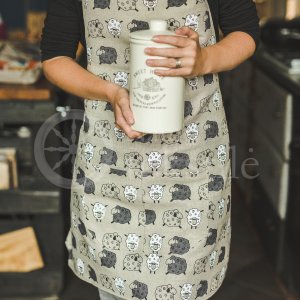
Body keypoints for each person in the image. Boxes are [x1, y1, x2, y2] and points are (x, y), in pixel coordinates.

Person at [41, 1, 259, 299]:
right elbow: (54, 57)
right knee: (116, 288)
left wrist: (203, 60)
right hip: (111, 170)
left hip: (194, 172)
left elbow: (245, 33)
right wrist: (110, 92)